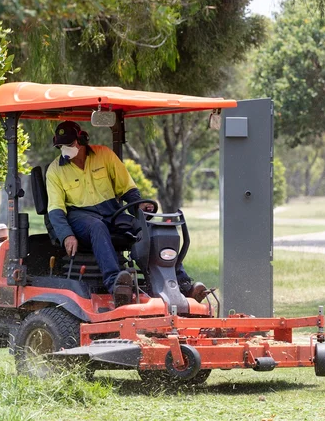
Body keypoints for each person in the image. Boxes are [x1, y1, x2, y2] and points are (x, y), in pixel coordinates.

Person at [46, 121, 207, 307]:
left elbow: (127, 189)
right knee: (96, 227)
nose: (65, 149)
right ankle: (116, 283)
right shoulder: (55, 171)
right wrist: (67, 235)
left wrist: (139, 208)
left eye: (69, 144)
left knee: (147, 227)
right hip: (78, 217)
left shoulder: (104, 155)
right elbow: (56, 209)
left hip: (110, 213)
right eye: (61, 146)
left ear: (81, 140)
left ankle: (182, 283)